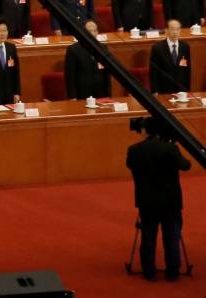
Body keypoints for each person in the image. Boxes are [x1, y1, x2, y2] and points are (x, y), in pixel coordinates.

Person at [127, 117, 192, 280]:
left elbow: (130, 165)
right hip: (170, 200)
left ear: (145, 130)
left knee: (148, 237)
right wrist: (173, 146)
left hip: (147, 200)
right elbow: (186, 165)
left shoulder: (134, 150)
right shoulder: (170, 149)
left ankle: (149, 271)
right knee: (171, 235)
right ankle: (173, 272)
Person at [64, 20, 112, 99]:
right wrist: (72, 97)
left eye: (95, 30)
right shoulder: (73, 50)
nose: (92, 33)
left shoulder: (103, 48)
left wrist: (108, 95)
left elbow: (107, 74)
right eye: (89, 31)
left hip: (101, 94)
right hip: (82, 95)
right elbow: (70, 76)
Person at [150, 19, 193, 96]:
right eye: (172, 29)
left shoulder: (185, 46)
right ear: (166, 30)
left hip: (181, 90)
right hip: (163, 89)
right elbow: (153, 71)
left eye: (177, 29)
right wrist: (154, 90)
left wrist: (187, 89)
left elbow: (187, 69)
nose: (175, 32)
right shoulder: (157, 48)